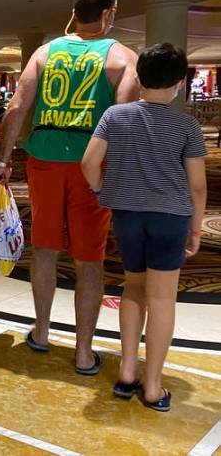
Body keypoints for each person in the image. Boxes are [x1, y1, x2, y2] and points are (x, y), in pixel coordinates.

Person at [0, 0, 139, 375]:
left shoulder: (45, 52)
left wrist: (4, 159)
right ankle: (84, 352)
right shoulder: (123, 58)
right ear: (109, 12)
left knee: (45, 247)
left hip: (43, 160)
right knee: (89, 257)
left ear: (75, 11)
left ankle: (41, 331)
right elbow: (124, 120)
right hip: (92, 165)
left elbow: (16, 108)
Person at [81, 43, 206, 412]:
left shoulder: (114, 116)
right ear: (179, 84)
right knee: (162, 298)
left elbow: (89, 163)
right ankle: (153, 387)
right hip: (170, 218)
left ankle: (125, 372)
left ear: (138, 78)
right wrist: (196, 230)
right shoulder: (186, 125)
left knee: (132, 287)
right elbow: (197, 186)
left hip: (127, 215)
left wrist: (102, 189)